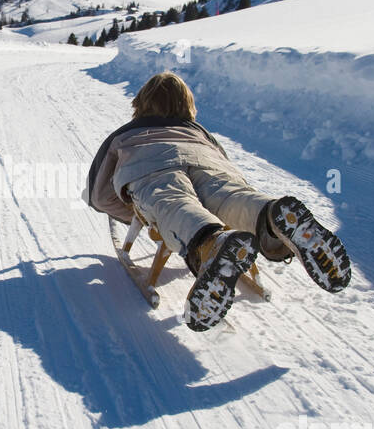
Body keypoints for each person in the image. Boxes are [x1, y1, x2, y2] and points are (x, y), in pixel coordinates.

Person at [84, 71, 351, 330]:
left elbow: (99, 195)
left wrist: (132, 212)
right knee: (229, 195)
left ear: (140, 104)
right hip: (207, 159)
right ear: (187, 105)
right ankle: (269, 216)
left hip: (150, 166)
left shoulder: (125, 134)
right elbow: (228, 169)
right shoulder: (200, 132)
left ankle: (209, 242)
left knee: (173, 202)